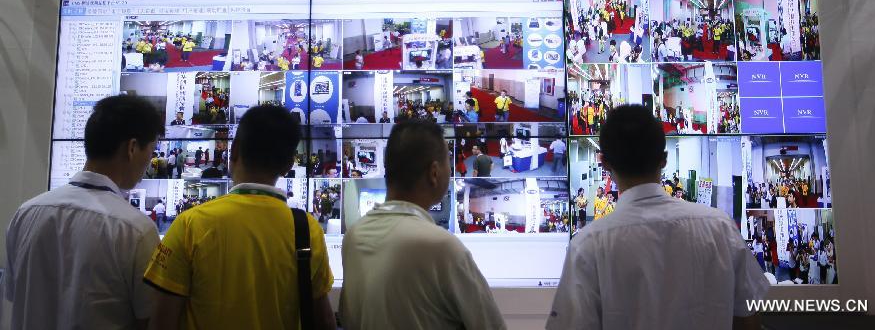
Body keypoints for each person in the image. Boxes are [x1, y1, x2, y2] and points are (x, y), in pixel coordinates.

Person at [547, 105, 770, 330]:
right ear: (663, 159)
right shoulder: (721, 228)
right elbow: (748, 318)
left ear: (604, 163)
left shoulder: (587, 246)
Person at [144, 105, 336, 330]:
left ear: (234, 152)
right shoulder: (307, 229)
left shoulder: (190, 224)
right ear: (287, 165)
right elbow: (323, 320)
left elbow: (162, 321)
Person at [3, 96, 163, 330]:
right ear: (131, 148)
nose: (150, 161)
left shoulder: (25, 214)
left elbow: (13, 297)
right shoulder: (136, 230)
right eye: (151, 151)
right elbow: (147, 320)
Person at [339, 120, 505, 330]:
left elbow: (348, 318)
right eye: (448, 161)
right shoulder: (443, 247)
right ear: (434, 173)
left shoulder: (353, 237)